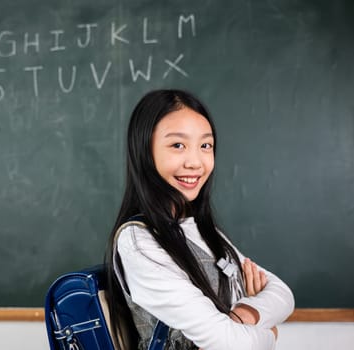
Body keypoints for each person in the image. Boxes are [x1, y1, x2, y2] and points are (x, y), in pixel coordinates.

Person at [104, 89, 295, 350]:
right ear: (144, 151)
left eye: (205, 145)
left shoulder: (202, 229)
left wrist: (243, 314)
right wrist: (270, 333)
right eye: (177, 145)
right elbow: (226, 342)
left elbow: (283, 294)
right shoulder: (138, 240)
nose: (195, 162)